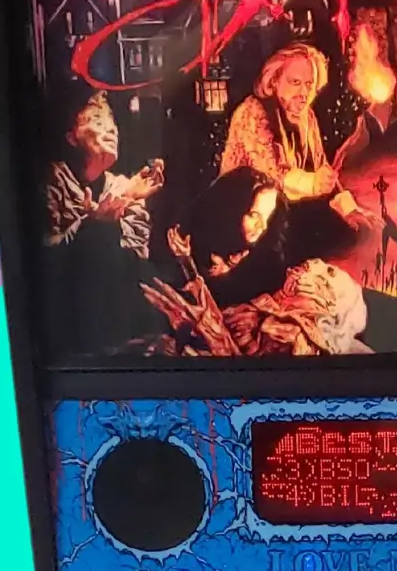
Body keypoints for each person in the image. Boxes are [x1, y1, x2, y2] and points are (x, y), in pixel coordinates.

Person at [145, 167, 370, 356]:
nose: (261, 227)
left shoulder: (267, 250)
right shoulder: (190, 242)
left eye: (267, 216)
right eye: (253, 215)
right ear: (232, 210)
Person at [219, 41, 377, 260]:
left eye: (309, 84)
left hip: (285, 216)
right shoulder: (252, 112)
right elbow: (272, 175)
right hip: (247, 221)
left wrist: (348, 208)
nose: (304, 92)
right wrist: (313, 183)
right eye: (295, 82)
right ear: (274, 81)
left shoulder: (306, 117)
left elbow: (322, 167)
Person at [46, 91, 162, 257]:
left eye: (112, 122)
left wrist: (126, 199)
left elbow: (137, 256)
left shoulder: (124, 187)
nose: (111, 129)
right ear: (72, 138)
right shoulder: (53, 180)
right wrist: (92, 225)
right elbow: (46, 255)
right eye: (98, 121)